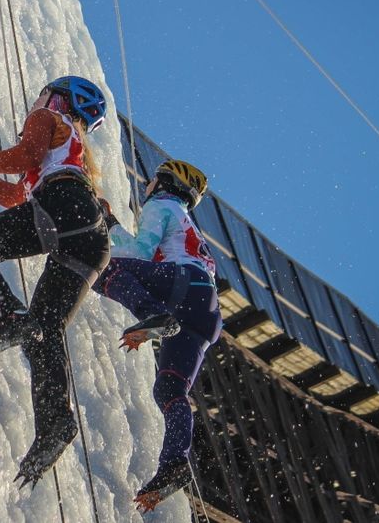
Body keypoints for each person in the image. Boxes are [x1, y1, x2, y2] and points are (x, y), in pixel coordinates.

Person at [0, 76, 111, 489]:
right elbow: (19, 196)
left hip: (62, 210)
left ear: (59, 98)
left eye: (42, 93)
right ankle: (56, 423)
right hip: (91, 235)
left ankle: (8, 319)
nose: (35, 100)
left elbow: (24, 156)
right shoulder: (76, 154)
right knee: (45, 329)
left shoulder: (47, 115)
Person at [93, 159, 221, 512]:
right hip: (207, 313)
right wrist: (113, 224)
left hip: (182, 290)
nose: (146, 185)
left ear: (164, 182)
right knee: (170, 390)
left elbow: (137, 254)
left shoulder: (159, 205)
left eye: (151, 180)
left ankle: (151, 315)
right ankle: (174, 464)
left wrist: (107, 227)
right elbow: (143, 254)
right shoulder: (184, 218)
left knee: (103, 267)